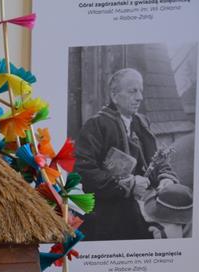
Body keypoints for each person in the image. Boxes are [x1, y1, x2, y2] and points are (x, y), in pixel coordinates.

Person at [76, 68, 178, 241]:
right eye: (133, 91)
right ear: (114, 95)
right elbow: (83, 171)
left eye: (140, 91)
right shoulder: (96, 125)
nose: (140, 97)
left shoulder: (142, 122)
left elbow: (156, 160)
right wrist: (129, 185)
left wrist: (165, 179)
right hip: (110, 213)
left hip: (145, 204)